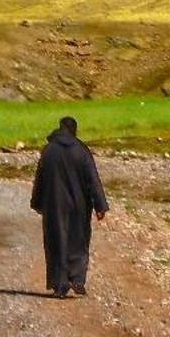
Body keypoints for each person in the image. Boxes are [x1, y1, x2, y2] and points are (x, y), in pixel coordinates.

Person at [30, 116, 107, 298]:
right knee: (78, 239)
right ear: (74, 130)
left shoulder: (49, 151)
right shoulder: (81, 151)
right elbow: (93, 179)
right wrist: (100, 205)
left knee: (56, 242)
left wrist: (37, 202)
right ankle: (77, 279)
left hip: (54, 204)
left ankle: (60, 284)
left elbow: (40, 178)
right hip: (80, 204)